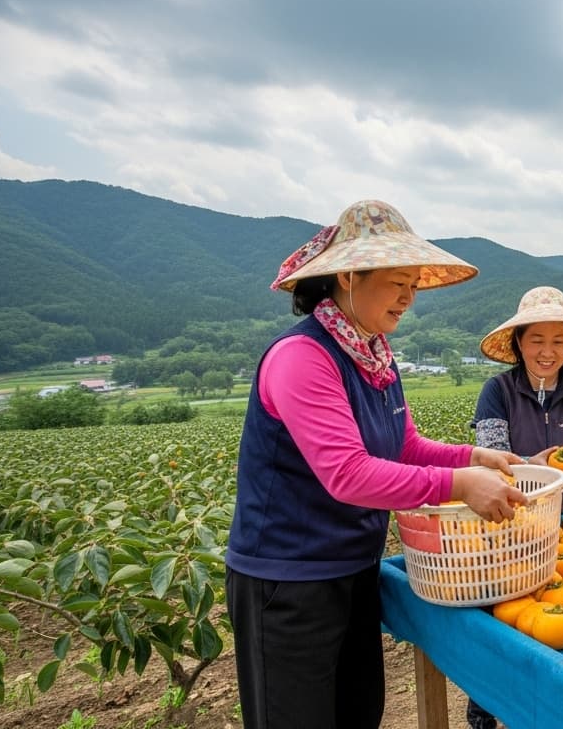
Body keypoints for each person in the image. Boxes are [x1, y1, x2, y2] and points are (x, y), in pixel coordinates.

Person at [225, 200, 527, 729]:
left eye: (413, 283)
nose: (409, 297)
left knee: (357, 714)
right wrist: (460, 482)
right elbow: (348, 474)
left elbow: (403, 446)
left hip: (352, 570)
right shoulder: (303, 357)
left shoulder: (374, 355)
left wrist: (474, 456)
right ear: (347, 276)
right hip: (290, 583)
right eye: (396, 282)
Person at [465, 286, 563, 729]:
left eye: (558, 341)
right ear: (518, 343)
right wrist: (537, 467)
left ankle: (549, 711)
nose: (547, 351)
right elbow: (492, 461)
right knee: (505, 623)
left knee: (558, 621)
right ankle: (483, 707)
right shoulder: (497, 391)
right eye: (536, 339)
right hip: (510, 527)